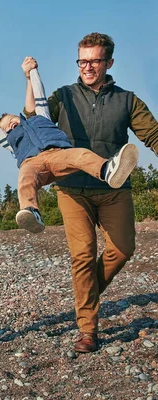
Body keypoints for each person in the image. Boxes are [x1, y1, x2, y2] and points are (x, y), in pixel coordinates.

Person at [22, 33, 158, 353]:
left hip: (113, 188)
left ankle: (88, 295)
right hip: (72, 189)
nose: (88, 67)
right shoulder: (64, 96)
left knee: (123, 249)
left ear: (109, 62)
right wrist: (30, 78)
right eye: (82, 60)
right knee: (81, 256)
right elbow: (33, 115)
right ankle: (87, 329)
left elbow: (152, 134)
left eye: (94, 60)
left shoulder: (127, 100)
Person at [0, 112, 138, 233]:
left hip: (58, 153)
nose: (10, 125)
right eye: (6, 127)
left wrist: (31, 78)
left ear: (20, 116)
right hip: (31, 162)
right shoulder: (11, 140)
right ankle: (31, 211)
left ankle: (107, 170)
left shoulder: (39, 118)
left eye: (11, 120)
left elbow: (39, 95)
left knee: (81, 154)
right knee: (25, 179)